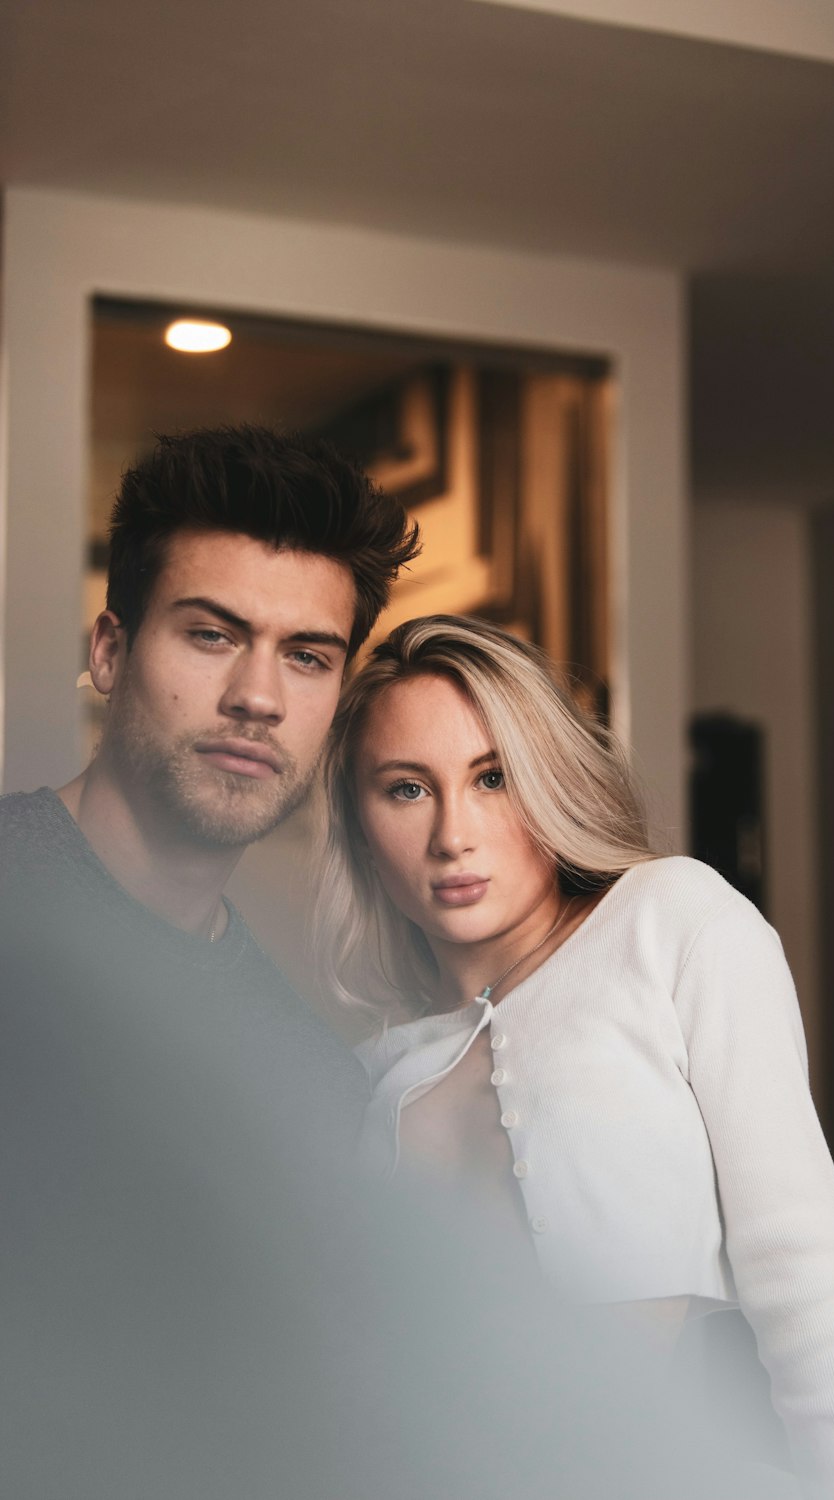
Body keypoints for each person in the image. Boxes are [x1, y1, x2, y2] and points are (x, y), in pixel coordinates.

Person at [317, 613, 834, 1500]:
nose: (453, 835)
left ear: (550, 778)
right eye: (406, 789)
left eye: (493, 777)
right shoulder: (377, 1072)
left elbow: (802, 1275)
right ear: (360, 824)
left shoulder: (672, 920)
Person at [0, 425, 420, 1499]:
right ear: (108, 651)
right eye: (210, 634)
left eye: (308, 656)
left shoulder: (307, 1082)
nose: (258, 696)